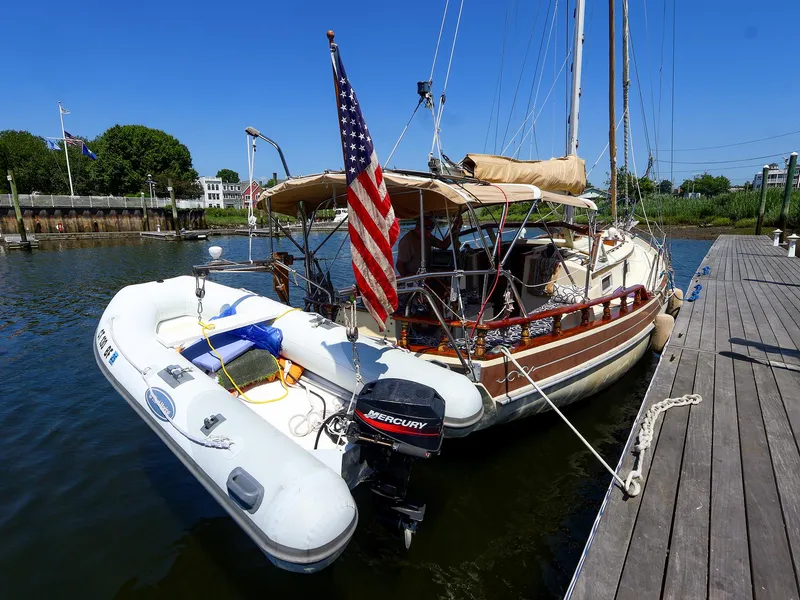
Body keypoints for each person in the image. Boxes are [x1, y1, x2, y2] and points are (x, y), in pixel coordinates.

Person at [396, 214, 462, 277]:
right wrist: (408, 278)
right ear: (418, 227)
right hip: (417, 278)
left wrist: (455, 228)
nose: (430, 230)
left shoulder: (427, 235)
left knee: (454, 271)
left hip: (427, 273)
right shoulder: (408, 241)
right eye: (428, 227)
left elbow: (444, 245)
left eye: (432, 227)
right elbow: (399, 265)